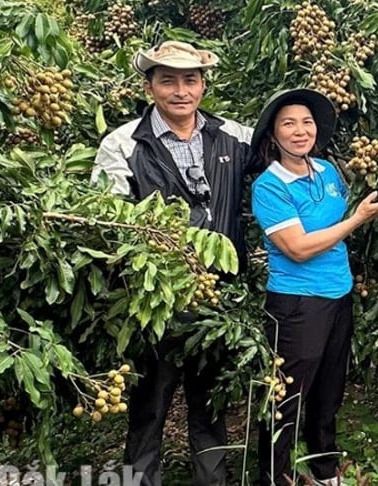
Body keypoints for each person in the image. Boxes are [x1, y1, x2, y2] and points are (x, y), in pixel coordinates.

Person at [92, 40, 254, 486]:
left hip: (217, 300)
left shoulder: (235, 136)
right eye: (168, 80)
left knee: (211, 405)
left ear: (203, 85)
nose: (180, 90)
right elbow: (109, 225)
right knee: (148, 405)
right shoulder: (122, 144)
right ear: (149, 87)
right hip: (155, 303)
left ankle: (212, 479)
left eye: (190, 79)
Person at [249, 88, 378, 485]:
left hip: (338, 296)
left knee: (329, 392)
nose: (300, 131)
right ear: (273, 134)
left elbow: (342, 217)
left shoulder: (328, 171)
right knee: (285, 398)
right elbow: (297, 248)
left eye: (307, 122)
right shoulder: (269, 186)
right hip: (296, 304)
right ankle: (274, 476)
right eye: (289, 124)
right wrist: (356, 221)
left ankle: (325, 472)